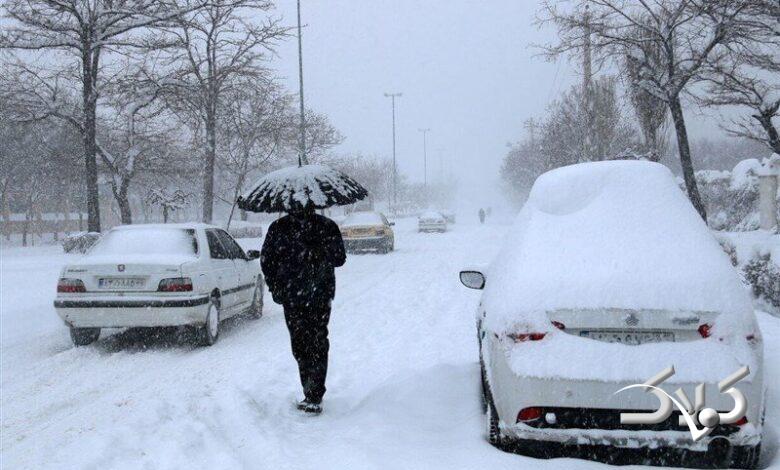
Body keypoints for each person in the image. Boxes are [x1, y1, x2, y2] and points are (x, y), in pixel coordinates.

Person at [260, 203, 346, 414]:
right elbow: (267, 261)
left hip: (316, 295)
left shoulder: (325, 226)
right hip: (296, 296)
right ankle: (311, 389)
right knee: (304, 343)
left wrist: (318, 250)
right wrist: (275, 287)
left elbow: (339, 258)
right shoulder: (279, 228)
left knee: (313, 341)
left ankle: (313, 393)